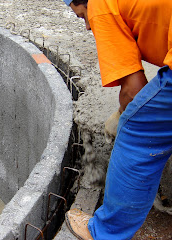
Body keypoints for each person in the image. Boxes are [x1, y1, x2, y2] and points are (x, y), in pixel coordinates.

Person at [62, 0, 172, 239]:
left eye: (82, 17)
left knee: (139, 132)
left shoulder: (101, 5)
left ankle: (105, 232)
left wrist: (125, 116)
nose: (88, 28)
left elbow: (133, 90)